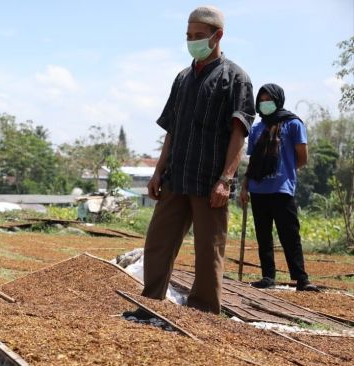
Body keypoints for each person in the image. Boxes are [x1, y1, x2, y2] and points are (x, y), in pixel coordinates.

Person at [128, 5, 255, 315]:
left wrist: (225, 180)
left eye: (199, 35)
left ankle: (204, 313)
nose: (192, 41)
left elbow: (239, 135)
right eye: (188, 35)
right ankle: (150, 304)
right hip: (176, 177)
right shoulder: (183, 78)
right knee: (158, 243)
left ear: (218, 36)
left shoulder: (235, 78)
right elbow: (171, 129)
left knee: (208, 251)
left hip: (210, 181)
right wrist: (158, 172)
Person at [240, 84, 319, 292]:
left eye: (269, 99)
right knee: (263, 235)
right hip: (258, 189)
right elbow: (253, 161)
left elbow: (302, 157)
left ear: (278, 100)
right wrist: (245, 185)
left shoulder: (293, 124)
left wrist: (286, 172)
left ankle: (302, 279)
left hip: (282, 189)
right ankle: (268, 276)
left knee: (290, 234)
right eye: (262, 99)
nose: (265, 103)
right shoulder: (256, 128)